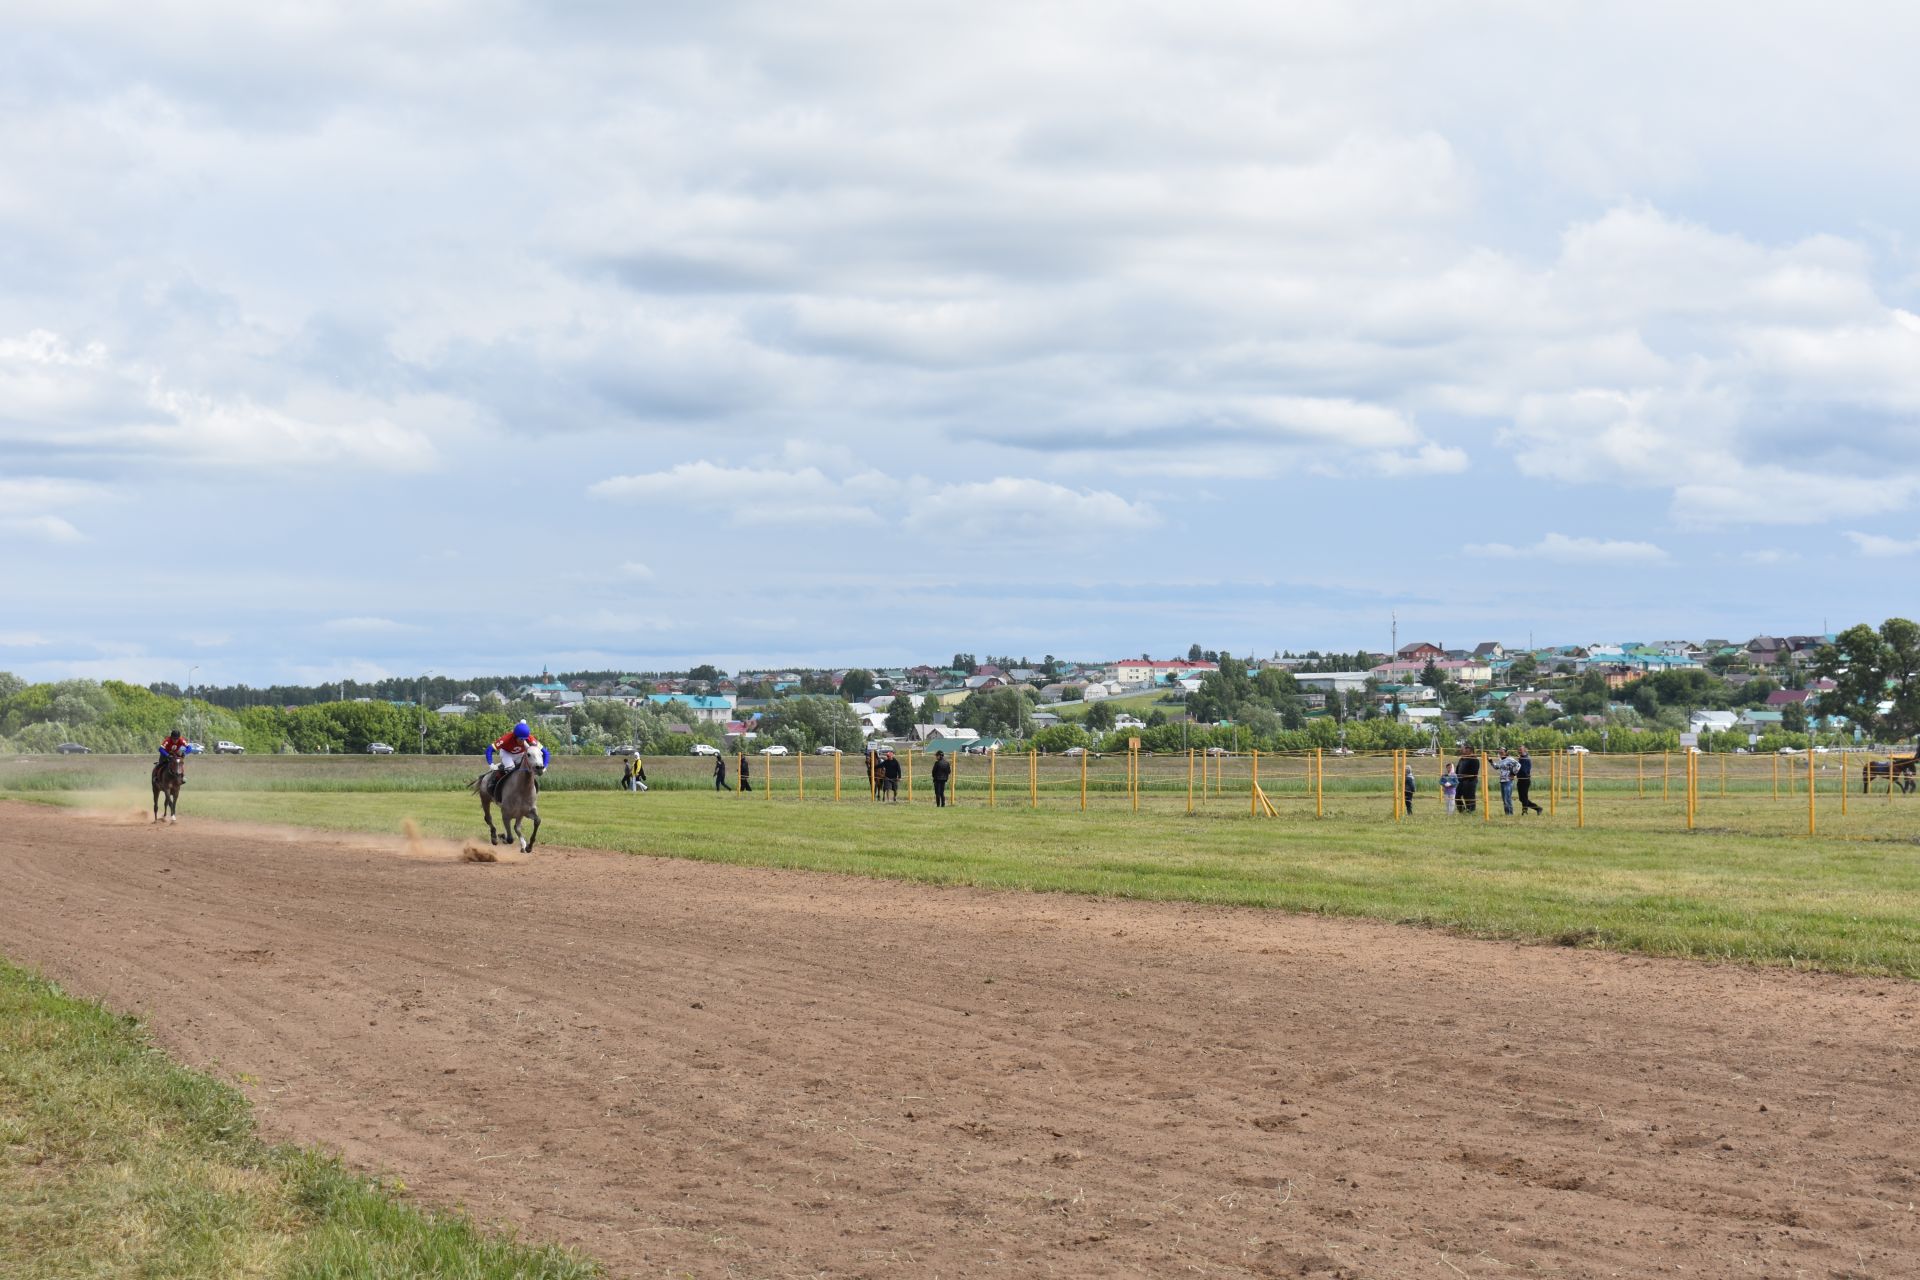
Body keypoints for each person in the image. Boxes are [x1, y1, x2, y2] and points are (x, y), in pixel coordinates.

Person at [1516, 746, 1543, 815]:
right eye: (1518, 750)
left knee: (1524, 797)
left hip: (1525, 780)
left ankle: (1525, 811)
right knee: (1521, 798)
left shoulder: (1525, 758)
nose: (1519, 751)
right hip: (1520, 780)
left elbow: (1523, 770)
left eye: (1520, 750)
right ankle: (1537, 808)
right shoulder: (1521, 758)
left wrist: (1516, 770)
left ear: (1525, 750)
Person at [1495, 748, 1517, 815]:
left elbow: (1518, 765)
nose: (1500, 752)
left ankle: (1510, 813)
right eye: (1500, 752)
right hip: (1502, 781)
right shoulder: (1501, 760)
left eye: (1502, 751)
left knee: (1507, 798)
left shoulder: (1510, 759)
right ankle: (1507, 813)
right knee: (1504, 799)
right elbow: (1496, 767)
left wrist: (1513, 773)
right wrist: (1490, 761)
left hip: (1508, 781)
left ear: (1506, 752)